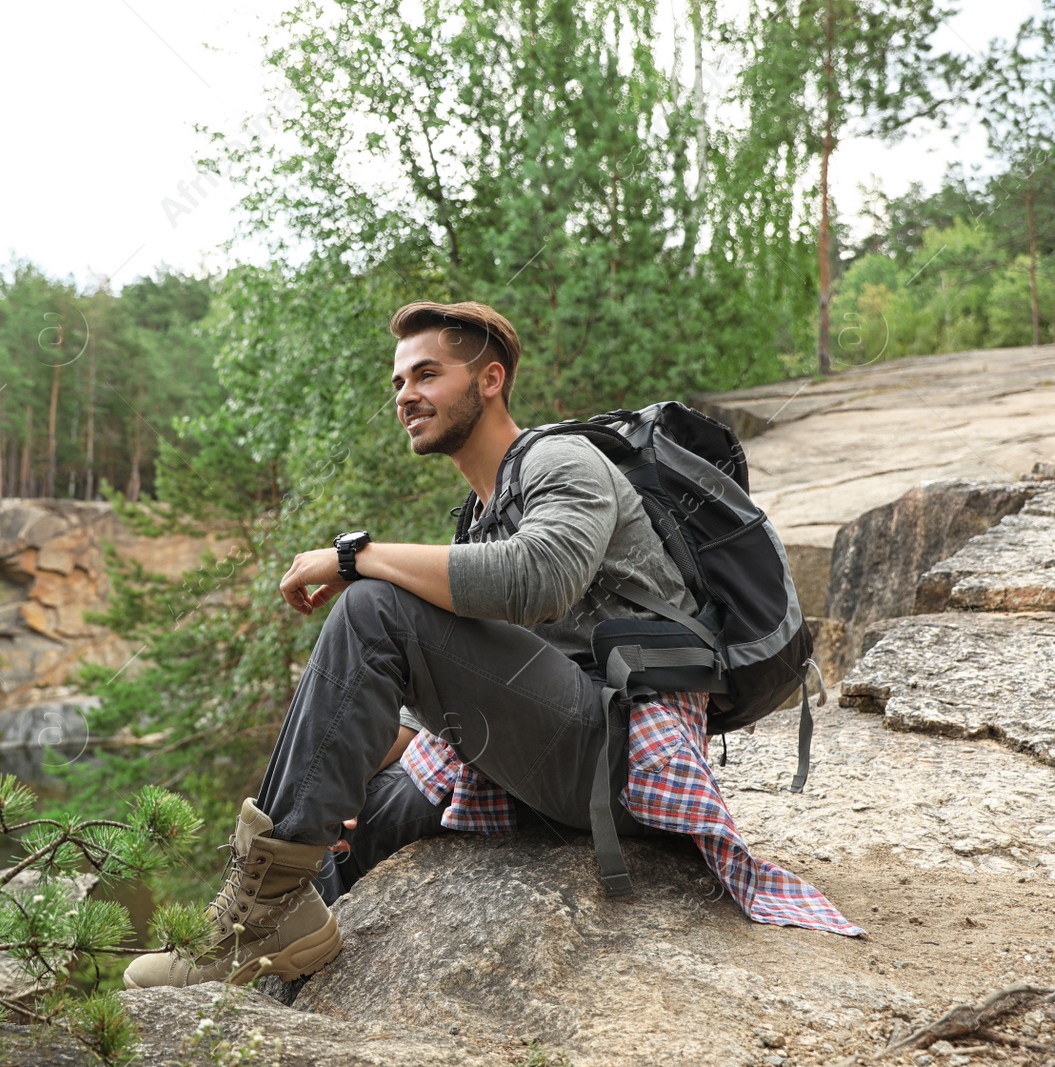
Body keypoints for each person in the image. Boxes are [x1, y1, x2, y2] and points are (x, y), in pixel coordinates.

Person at [122, 301, 860, 991]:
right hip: (552, 751)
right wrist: (351, 753)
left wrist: (355, 556)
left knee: (375, 603)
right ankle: (277, 956)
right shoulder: (478, 514)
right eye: (398, 381)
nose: (405, 394)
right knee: (366, 813)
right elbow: (487, 677)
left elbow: (536, 579)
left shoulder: (561, 462)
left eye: (427, 374)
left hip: (626, 755)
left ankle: (259, 914)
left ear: (490, 379)